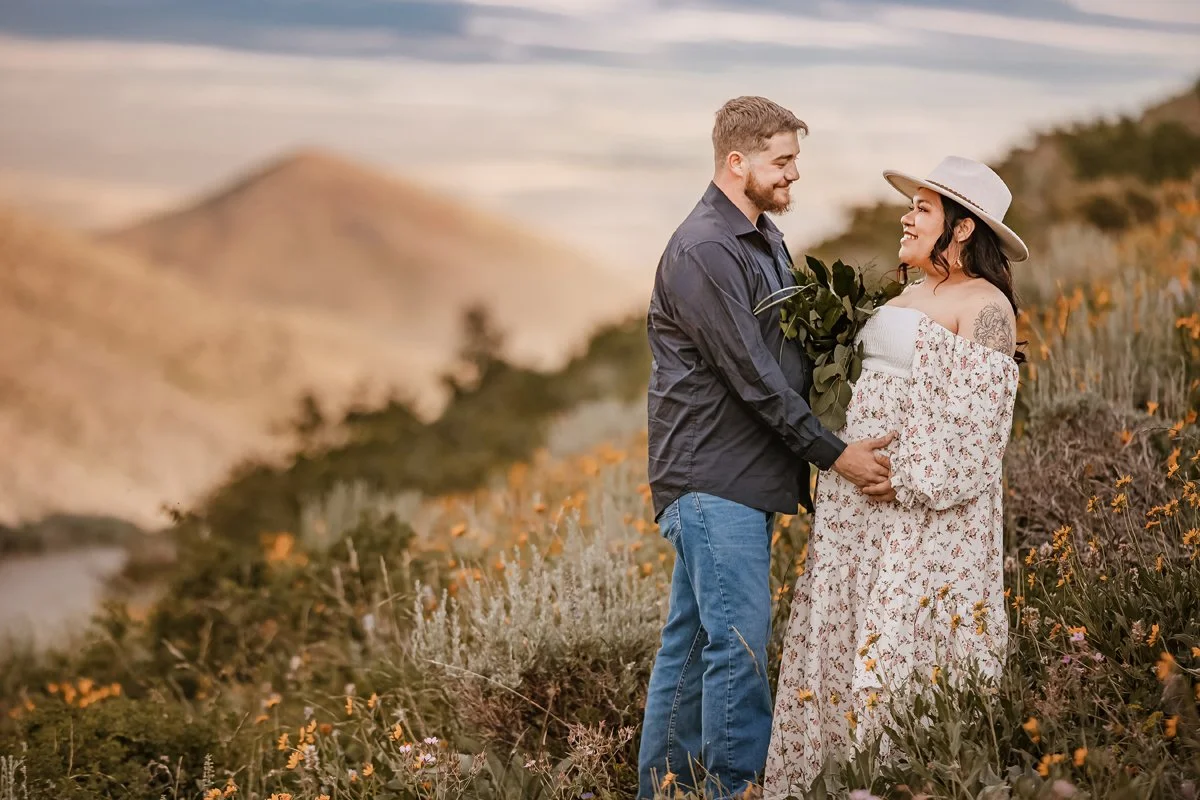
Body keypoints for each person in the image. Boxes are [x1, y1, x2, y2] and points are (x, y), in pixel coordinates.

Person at [638, 95, 895, 799]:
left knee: (691, 650)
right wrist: (835, 453)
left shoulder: (764, 238)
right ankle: (735, 790)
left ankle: (658, 790)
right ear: (737, 161)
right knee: (740, 651)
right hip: (710, 479)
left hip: (737, 481)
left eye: (794, 161)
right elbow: (753, 376)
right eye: (782, 162)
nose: (793, 176)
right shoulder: (705, 251)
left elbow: (787, 355)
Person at [763, 155, 1027, 795]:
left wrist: (901, 476)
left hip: (919, 514)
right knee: (847, 636)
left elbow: (979, 430)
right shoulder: (904, 294)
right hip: (857, 512)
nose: (907, 216)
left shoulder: (985, 306)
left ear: (962, 229)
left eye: (924, 208)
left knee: (902, 648)